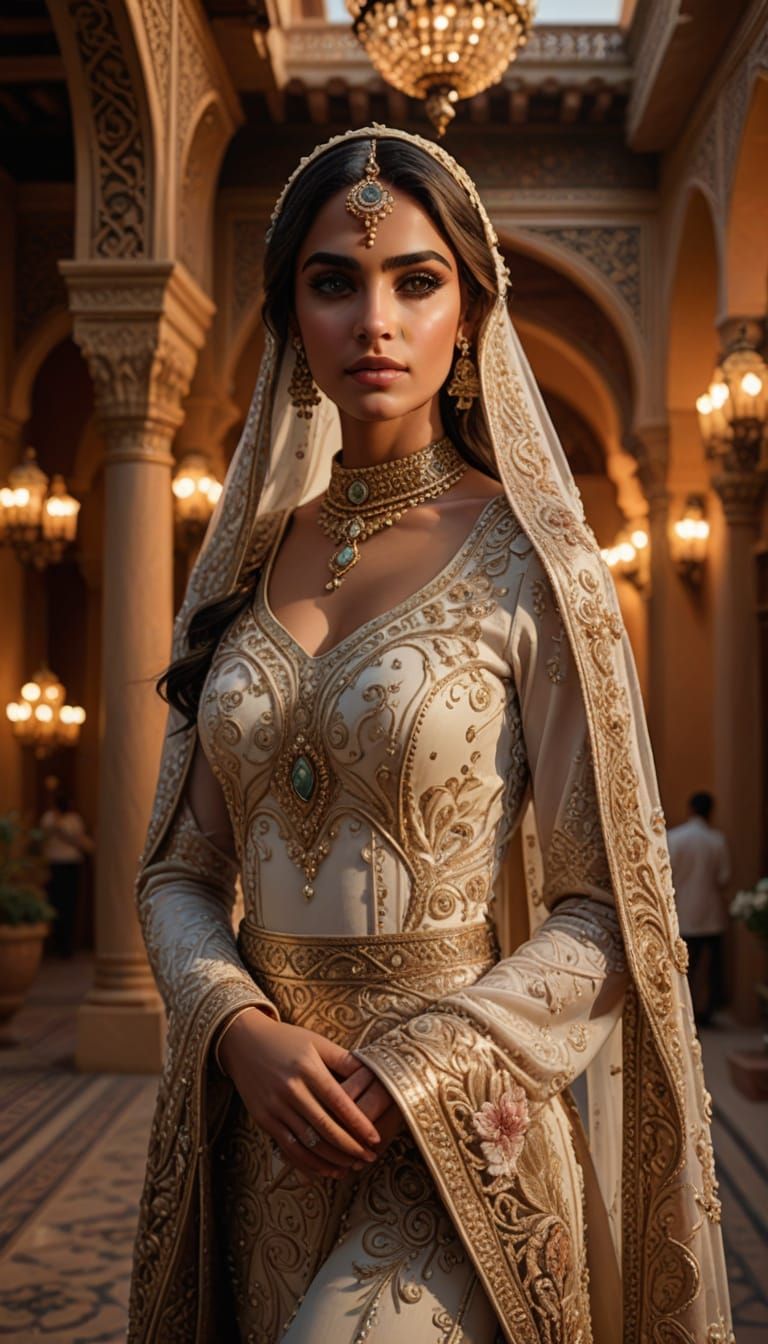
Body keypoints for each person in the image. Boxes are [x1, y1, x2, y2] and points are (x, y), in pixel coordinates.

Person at [128, 128, 732, 1342]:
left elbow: (610, 911)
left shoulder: (537, 568)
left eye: (416, 279)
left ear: (471, 309)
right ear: (292, 316)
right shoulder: (241, 570)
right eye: (333, 281)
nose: (374, 320)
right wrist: (237, 1029)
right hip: (258, 1133)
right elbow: (179, 871)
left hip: (457, 1134)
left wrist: (423, 1065)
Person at [668, 791, 731, 1027]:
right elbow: (724, 877)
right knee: (711, 968)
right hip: (710, 914)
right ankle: (707, 1013)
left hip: (683, 912)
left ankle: (684, 1012)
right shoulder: (717, 840)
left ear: (691, 809)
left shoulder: (674, 838)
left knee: (686, 968)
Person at [40, 791, 93, 957]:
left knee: (69, 904)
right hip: (55, 864)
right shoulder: (48, 817)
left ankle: (68, 945)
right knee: (55, 902)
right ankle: (56, 943)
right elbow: (44, 835)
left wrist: (60, 825)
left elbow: (76, 838)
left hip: (71, 864)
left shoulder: (74, 819)